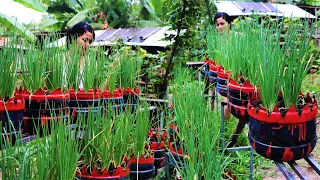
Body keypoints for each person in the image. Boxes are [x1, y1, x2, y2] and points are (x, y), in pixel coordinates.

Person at [214, 12, 231, 120]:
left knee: (227, 105)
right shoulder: (218, 41)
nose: (220, 27)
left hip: (237, 75)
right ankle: (227, 127)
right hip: (224, 75)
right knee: (226, 105)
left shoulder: (238, 37)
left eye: (222, 23)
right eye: (217, 24)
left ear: (229, 23)